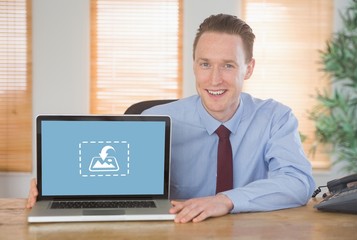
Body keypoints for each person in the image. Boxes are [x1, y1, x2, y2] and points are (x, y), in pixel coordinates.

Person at [27, 14, 316, 223]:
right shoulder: (154, 120)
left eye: (228, 65)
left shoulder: (276, 118)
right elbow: (110, 179)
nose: (214, 79)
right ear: (194, 65)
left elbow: (298, 182)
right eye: (205, 64)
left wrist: (226, 200)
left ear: (248, 68)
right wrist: (56, 185)